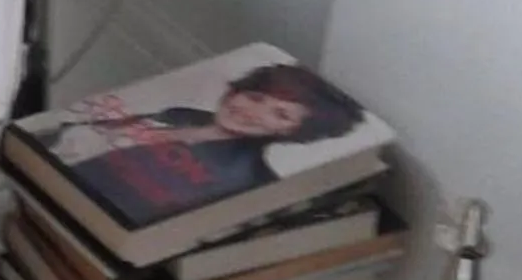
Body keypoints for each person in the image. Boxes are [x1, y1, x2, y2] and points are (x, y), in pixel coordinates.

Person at [46, 60, 366, 228]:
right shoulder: (180, 114)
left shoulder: (249, 179)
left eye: (279, 114)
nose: (251, 112)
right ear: (236, 91)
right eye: (255, 96)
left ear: (291, 133)